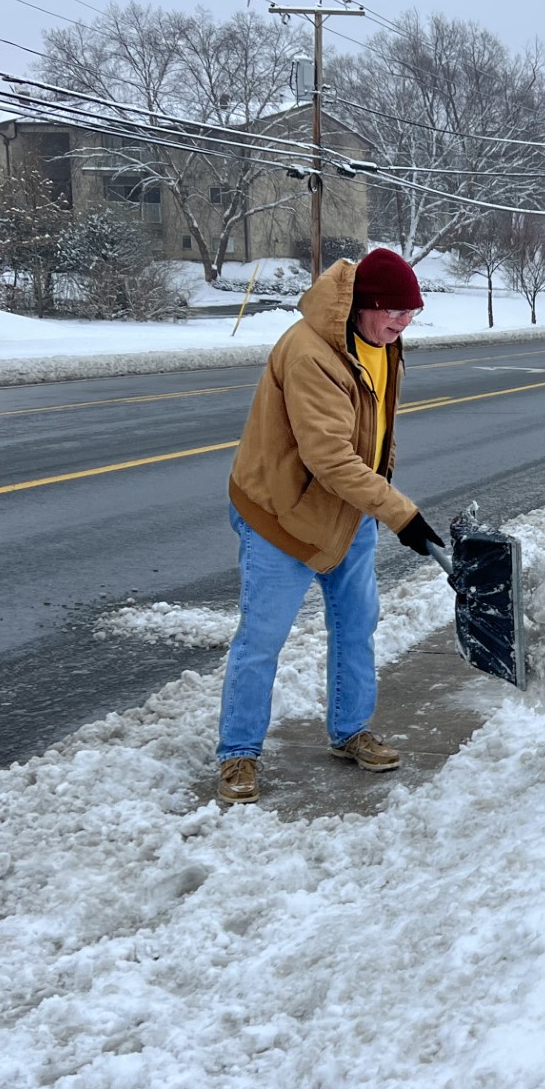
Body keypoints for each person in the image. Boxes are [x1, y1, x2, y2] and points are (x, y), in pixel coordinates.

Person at [214, 248, 445, 805]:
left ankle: (350, 730)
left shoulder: (382, 344)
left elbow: (375, 433)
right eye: (394, 311)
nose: (403, 322)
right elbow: (330, 457)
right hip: (281, 514)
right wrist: (402, 515)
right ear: (363, 305)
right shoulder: (310, 354)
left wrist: (379, 494)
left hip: (346, 510)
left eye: (411, 313)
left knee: (356, 624)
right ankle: (238, 753)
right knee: (263, 637)